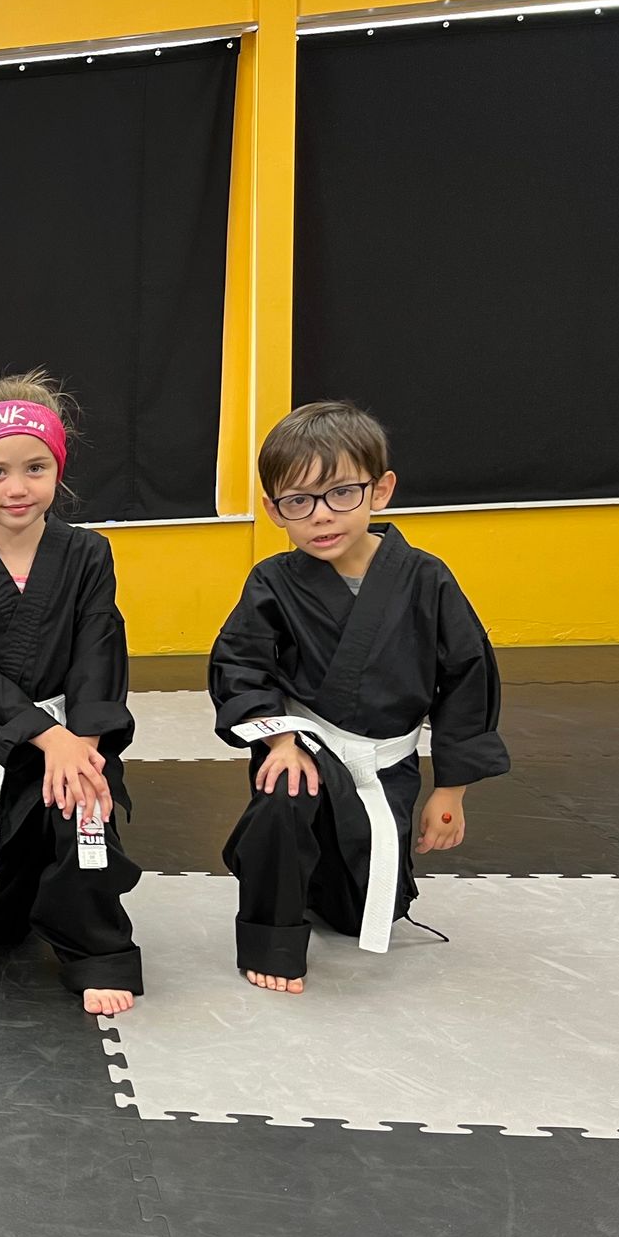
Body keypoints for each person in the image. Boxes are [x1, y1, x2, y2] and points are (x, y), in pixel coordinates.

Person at [210, 401, 510, 994]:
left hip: (386, 764)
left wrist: (450, 790)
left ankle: (332, 886)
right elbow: (240, 663)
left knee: (362, 911)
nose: (322, 517)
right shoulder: (273, 581)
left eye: (342, 493)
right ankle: (271, 938)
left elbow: (468, 677)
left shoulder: (425, 578)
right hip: (304, 749)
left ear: (381, 490)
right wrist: (281, 738)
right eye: (299, 501)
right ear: (274, 511)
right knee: (282, 800)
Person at [0, 375, 144, 1014]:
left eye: (34, 467)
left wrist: (81, 744)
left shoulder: (86, 554)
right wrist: (43, 737)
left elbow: (100, 645)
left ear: (58, 469)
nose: (16, 487)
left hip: (78, 736)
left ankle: (98, 951)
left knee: (78, 811)